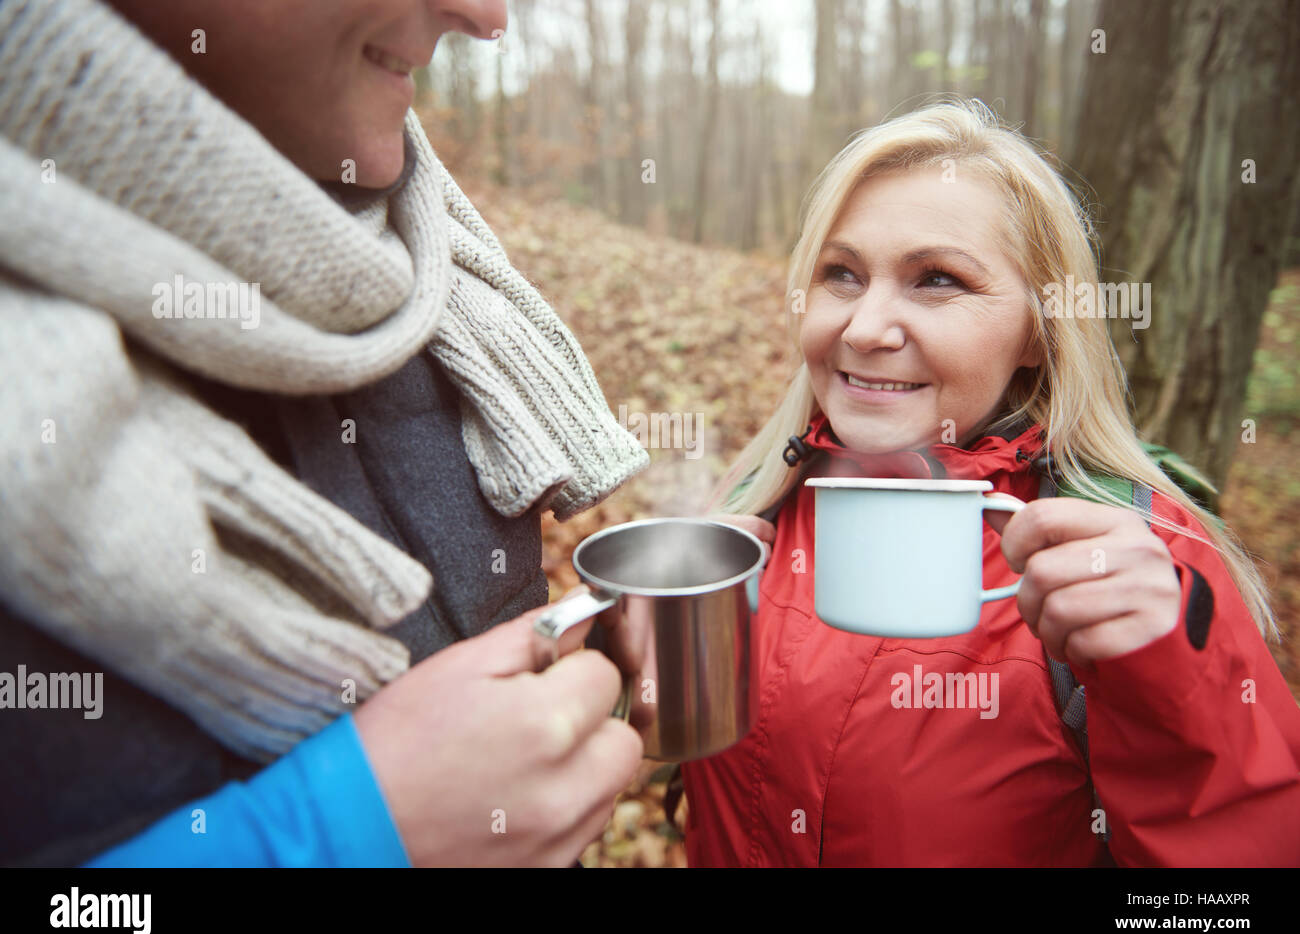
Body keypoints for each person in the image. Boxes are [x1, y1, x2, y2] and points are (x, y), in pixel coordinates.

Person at [0, 0, 646, 867]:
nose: (485, 15)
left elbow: (461, 683)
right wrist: (334, 836)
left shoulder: (418, 272)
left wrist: (593, 651)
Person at [681, 99, 1300, 866]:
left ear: (1039, 333)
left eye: (936, 280)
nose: (866, 327)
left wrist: (1168, 681)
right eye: (841, 273)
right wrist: (642, 650)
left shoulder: (1139, 556)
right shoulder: (757, 503)